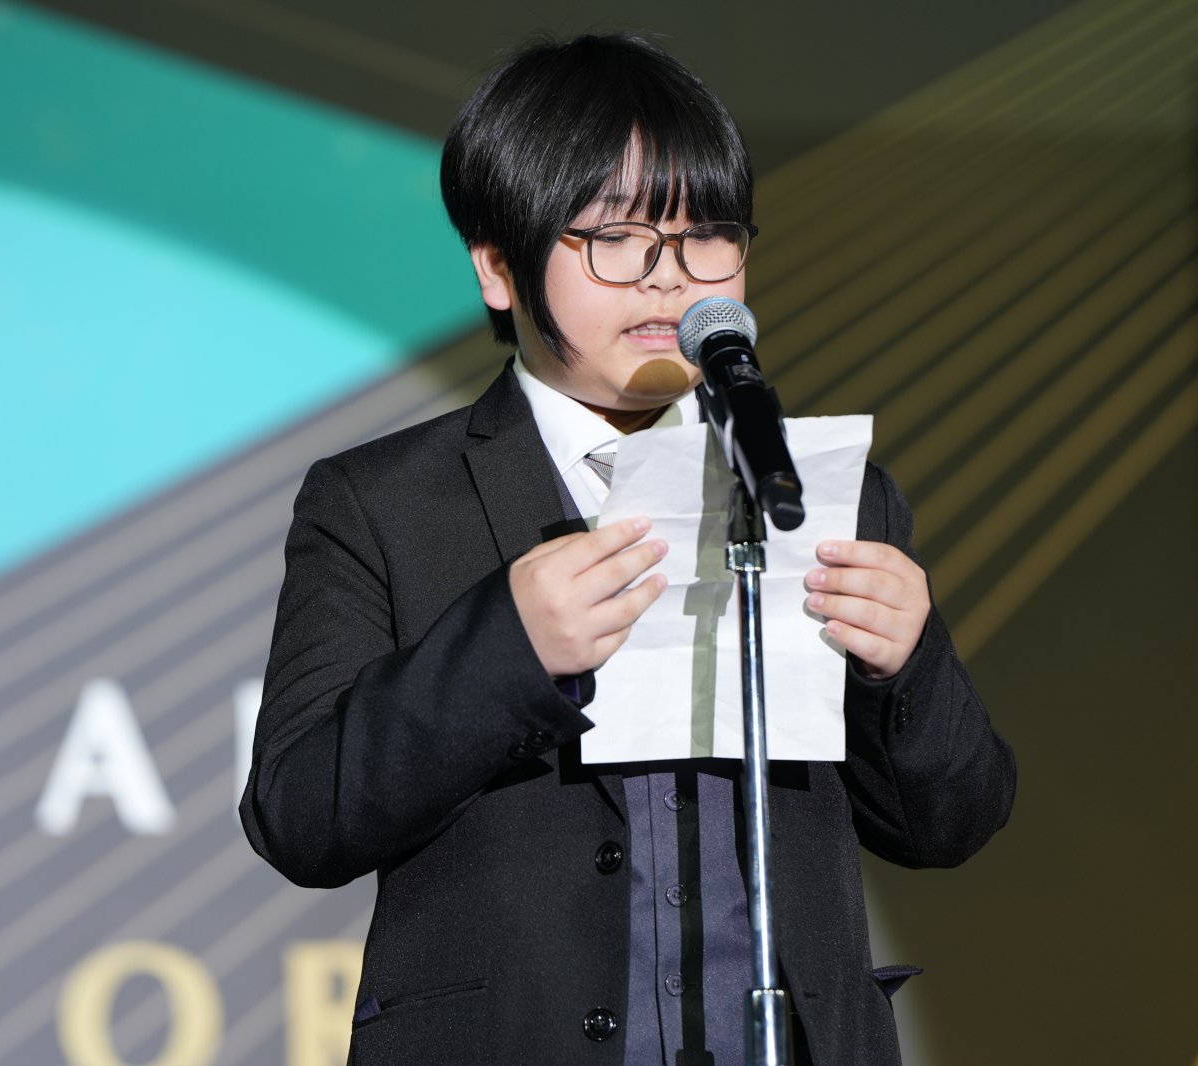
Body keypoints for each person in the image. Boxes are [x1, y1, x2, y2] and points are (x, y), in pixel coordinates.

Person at [240, 32, 1015, 1066]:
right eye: (617, 239)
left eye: (707, 238)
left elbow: (949, 823)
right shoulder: (380, 502)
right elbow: (299, 814)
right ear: (499, 267)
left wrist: (905, 667)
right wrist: (505, 649)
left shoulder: (819, 491)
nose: (669, 281)